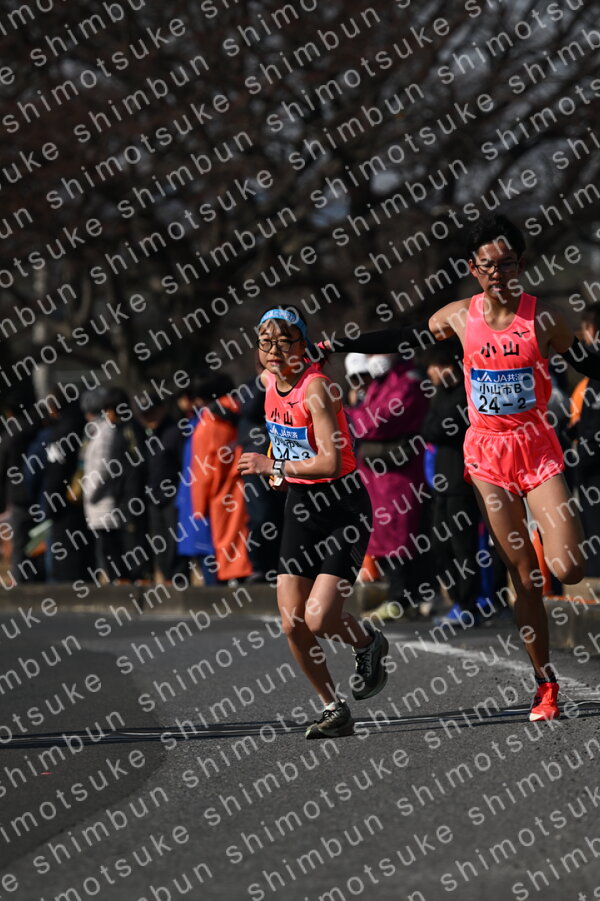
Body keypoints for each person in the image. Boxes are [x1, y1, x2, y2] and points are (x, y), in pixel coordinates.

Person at [326, 214, 600, 722]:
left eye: (507, 263)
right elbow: (403, 338)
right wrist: (338, 345)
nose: (498, 273)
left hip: (536, 448)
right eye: (488, 265)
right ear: (474, 269)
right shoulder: (458, 316)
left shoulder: (544, 319)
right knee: (524, 577)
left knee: (569, 568)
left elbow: (590, 363)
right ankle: (545, 684)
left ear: (520, 264)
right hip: (487, 455)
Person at [238, 306, 388, 740]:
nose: (273, 352)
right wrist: (278, 465)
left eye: (283, 343)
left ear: (301, 345)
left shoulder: (318, 388)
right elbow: (276, 428)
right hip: (301, 508)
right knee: (292, 622)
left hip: (343, 508)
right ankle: (332, 707)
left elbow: (330, 461)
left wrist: (273, 465)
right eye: (266, 343)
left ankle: (367, 643)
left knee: (320, 618)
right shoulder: (269, 382)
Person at [345, 353, 428, 621]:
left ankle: (401, 598)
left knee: (400, 534)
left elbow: (377, 421)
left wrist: (344, 415)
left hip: (397, 472)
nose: (373, 358)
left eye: (377, 351)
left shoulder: (408, 382)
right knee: (386, 534)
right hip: (378, 473)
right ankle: (402, 597)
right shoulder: (385, 381)